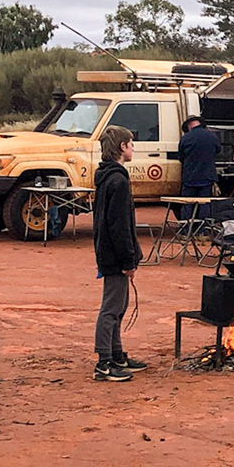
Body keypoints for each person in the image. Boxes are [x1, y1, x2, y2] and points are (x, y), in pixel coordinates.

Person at [92, 125, 146, 381]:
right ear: (122, 147)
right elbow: (120, 225)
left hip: (108, 251)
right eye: (131, 144)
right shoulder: (118, 180)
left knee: (119, 306)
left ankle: (116, 354)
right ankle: (104, 363)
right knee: (111, 308)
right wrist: (128, 259)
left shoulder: (107, 177)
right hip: (114, 255)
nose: (133, 148)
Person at [178, 116, 220, 198]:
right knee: (205, 203)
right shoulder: (212, 136)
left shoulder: (185, 138)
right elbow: (218, 151)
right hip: (207, 176)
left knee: (188, 203)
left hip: (190, 177)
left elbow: (181, 157)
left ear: (189, 125)